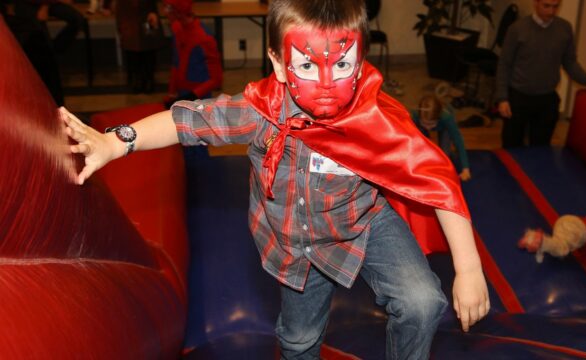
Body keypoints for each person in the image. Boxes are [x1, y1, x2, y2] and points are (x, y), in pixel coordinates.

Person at [61, 0, 490, 358]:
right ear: (280, 65)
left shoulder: (374, 119)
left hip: (362, 223)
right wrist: (117, 141)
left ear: (360, 63)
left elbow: (434, 178)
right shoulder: (261, 111)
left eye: (342, 64)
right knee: (300, 339)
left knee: (423, 301)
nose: (326, 83)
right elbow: (186, 121)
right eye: (307, 64)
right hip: (294, 244)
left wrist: (468, 268)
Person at [496, 0, 586, 148]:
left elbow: (570, 62)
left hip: (547, 98)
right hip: (518, 97)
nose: (551, 11)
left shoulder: (564, 28)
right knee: (512, 145)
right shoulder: (517, 29)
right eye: (546, 6)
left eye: (555, 6)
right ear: (536, 3)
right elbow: (504, 64)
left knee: (541, 148)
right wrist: (502, 98)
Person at [162, 0, 223, 109]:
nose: (164, 11)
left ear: (178, 10)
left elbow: (216, 79)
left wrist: (192, 96)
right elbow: (176, 62)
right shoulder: (177, 28)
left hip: (200, 99)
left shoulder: (204, 38)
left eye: (168, 8)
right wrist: (171, 92)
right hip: (182, 94)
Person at [412, 92, 472, 182]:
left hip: (444, 127)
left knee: (445, 154)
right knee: (422, 146)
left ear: (438, 118)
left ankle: (449, 157)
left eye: (431, 124)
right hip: (423, 124)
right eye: (424, 123)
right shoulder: (415, 116)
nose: (428, 127)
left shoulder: (446, 119)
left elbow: (458, 140)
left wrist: (465, 168)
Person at [114, 0, 165, 94]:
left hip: (146, 19)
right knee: (133, 51)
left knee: (148, 49)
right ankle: (138, 79)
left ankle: (148, 79)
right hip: (129, 20)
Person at [14, 0, 88, 55]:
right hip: (27, 3)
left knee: (77, 19)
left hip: (49, 2)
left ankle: (53, 52)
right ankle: (47, 53)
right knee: (39, 34)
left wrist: (45, 6)